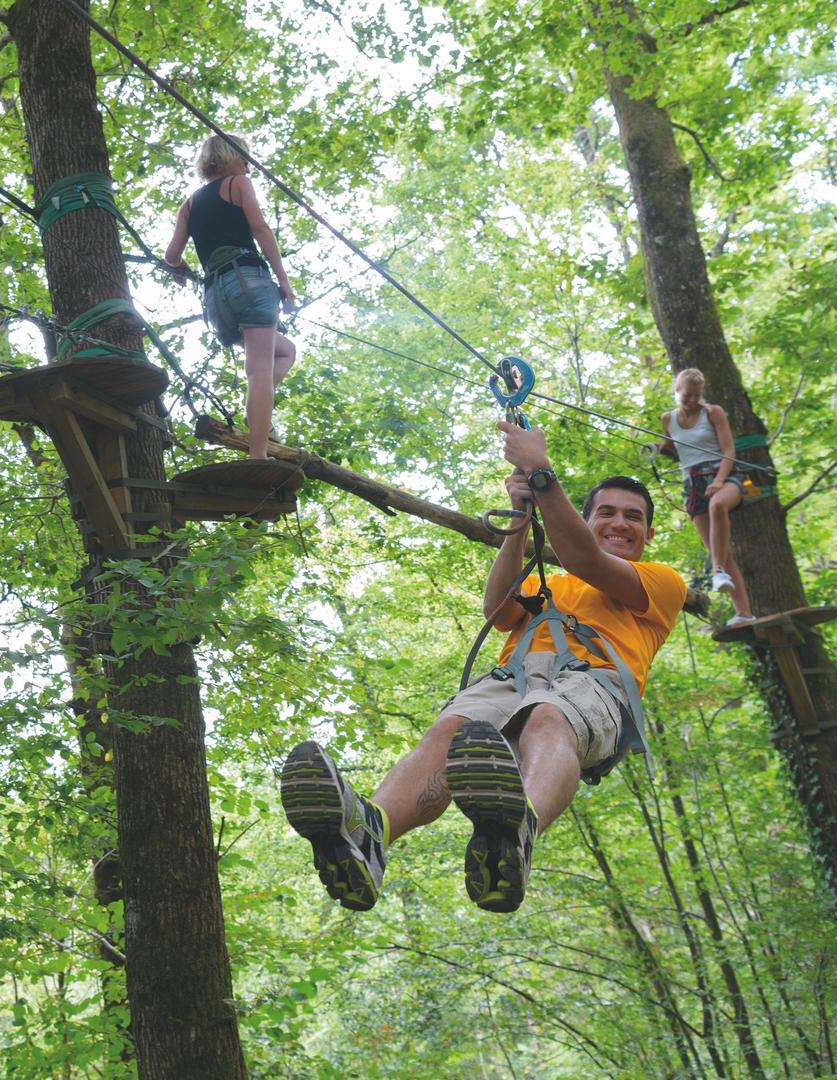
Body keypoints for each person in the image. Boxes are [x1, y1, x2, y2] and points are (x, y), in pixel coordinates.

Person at [280, 422, 687, 913]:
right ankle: (372, 835)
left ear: (649, 533)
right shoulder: (552, 581)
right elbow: (499, 610)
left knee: (549, 716)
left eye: (634, 517)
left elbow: (584, 557)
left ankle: (518, 834)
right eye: (606, 513)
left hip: (593, 680)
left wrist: (541, 471)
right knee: (450, 731)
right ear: (585, 519)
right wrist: (520, 517)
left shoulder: (662, 582)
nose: (620, 523)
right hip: (512, 676)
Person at [163, 134, 300, 459]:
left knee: (285, 352)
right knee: (259, 371)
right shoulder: (237, 184)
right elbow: (261, 229)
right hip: (248, 280)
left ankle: (257, 412)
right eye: (245, 158)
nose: (248, 166)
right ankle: (258, 456)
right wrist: (284, 283)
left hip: (216, 300)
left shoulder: (190, 204)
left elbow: (171, 255)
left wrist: (180, 267)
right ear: (231, 157)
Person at [658, 367, 755, 626]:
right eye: (687, 395)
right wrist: (658, 448)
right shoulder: (668, 420)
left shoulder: (713, 413)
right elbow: (673, 449)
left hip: (725, 475)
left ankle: (717, 572)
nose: (692, 401)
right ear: (677, 391)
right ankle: (745, 613)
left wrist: (720, 480)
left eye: (697, 395)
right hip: (693, 483)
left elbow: (729, 450)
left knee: (718, 504)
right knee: (719, 550)